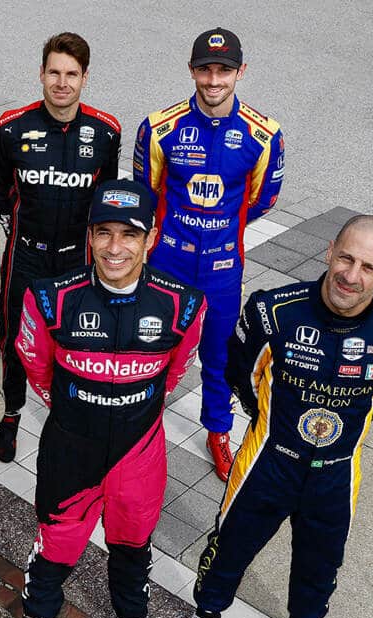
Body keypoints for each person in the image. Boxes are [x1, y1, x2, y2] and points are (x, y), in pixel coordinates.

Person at [179, 215, 373, 618]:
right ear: (329, 251)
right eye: (346, 258)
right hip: (268, 460)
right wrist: (268, 419)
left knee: (321, 563)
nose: (351, 275)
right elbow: (241, 374)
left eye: (369, 267)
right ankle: (207, 616)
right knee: (230, 547)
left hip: (337, 472)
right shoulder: (272, 311)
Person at [13, 180, 206, 618]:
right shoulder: (50, 298)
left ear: (151, 238)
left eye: (129, 234)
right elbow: (35, 364)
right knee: (55, 546)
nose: (115, 247)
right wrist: (77, 410)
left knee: (132, 548)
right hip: (70, 450)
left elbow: (175, 373)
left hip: (138, 456)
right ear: (90, 235)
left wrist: (128, 408)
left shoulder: (184, 304)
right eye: (103, 232)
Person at [133, 28, 284, 481]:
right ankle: (139, 425)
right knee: (152, 347)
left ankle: (217, 431)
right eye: (205, 69)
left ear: (241, 72)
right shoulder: (159, 127)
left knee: (219, 357)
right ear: (192, 70)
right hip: (168, 262)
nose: (213, 79)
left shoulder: (264, 134)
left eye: (223, 70)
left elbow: (262, 199)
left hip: (222, 268)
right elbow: (146, 191)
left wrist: (220, 230)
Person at [0, 32, 121, 462]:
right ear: (41, 74)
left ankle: (68, 416)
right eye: (54, 73)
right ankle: (11, 413)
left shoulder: (106, 132)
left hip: (76, 259)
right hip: (25, 255)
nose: (62, 83)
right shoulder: (10, 128)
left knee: (75, 341)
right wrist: (18, 231)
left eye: (72, 74)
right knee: (14, 339)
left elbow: (106, 198)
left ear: (84, 78)